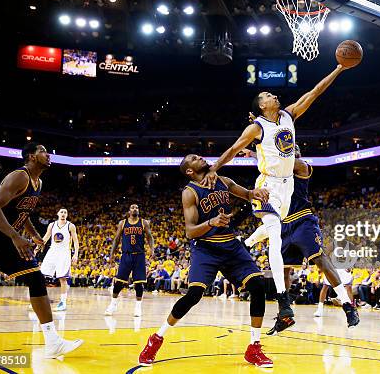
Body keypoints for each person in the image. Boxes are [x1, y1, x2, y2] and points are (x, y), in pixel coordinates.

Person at [200, 64, 350, 324]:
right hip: (267, 186)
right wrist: (213, 168)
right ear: (262, 106)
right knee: (275, 237)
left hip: (288, 185)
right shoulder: (256, 128)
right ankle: (283, 300)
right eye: (268, 95)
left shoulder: (288, 115)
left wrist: (338, 69)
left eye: (273, 94)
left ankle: (243, 244)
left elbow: (314, 92)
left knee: (274, 230)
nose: (274, 96)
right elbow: (235, 148)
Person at [138, 154, 273, 367]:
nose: (199, 157)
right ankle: (156, 339)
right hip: (206, 248)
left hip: (230, 245)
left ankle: (254, 347)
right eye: (193, 158)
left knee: (257, 286)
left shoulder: (224, 181)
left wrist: (255, 193)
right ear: (189, 170)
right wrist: (211, 222)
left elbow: (247, 194)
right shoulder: (189, 193)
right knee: (193, 295)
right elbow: (190, 232)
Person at [0, 143, 83, 358]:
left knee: (35, 277)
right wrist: (16, 237)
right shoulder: (20, 176)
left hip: (5, 240)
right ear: (31, 157)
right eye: (43, 151)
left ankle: (52, 341)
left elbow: (22, 213)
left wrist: (34, 235)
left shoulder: (39, 182)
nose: (48, 154)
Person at [244, 145, 359, 333]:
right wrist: (255, 154)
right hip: (283, 224)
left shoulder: (301, 166)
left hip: (302, 221)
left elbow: (278, 162)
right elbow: (274, 164)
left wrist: (260, 150)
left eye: (292, 151)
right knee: (283, 269)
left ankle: (348, 305)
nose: (290, 153)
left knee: (320, 260)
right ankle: (285, 314)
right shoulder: (278, 171)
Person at [105, 204, 155, 317]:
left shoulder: (144, 222)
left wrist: (152, 249)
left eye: (137, 207)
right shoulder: (123, 223)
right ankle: (113, 304)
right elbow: (117, 239)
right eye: (132, 207)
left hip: (139, 256)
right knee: (118, 282)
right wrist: (111, 254)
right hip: (126, 255)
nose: (135, 209)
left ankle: (138, 307)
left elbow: (150, 237)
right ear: (129, 211)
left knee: (139, 284)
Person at [38, 208, 79, 311]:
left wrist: (76, 254)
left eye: (65, 212)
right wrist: (37, 248)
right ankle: (39, 300)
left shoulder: (71, 226)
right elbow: (46, 237)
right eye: (61, 212)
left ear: (67, 215)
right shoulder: (52, 225)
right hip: (52, 251)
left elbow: (75, 241)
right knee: (41, 275)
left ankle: (63, 303)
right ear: (57, 214)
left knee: (63, 278)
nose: (63, 214)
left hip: (64, 253)